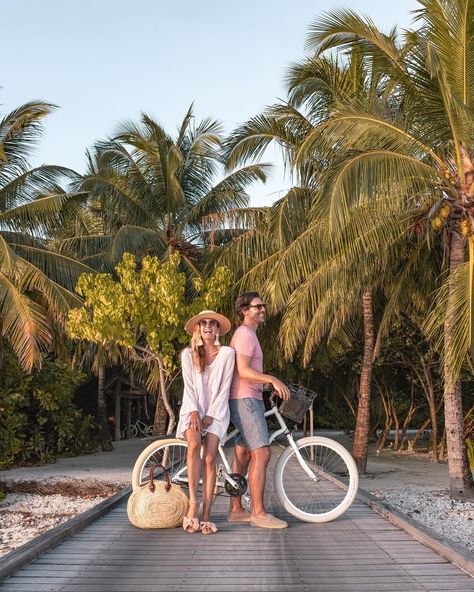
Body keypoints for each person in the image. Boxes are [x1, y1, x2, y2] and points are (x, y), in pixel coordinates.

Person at [228, 292, 291, 529]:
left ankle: (236, 509)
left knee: (244, 452)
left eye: (263, 305)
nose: (263, 309)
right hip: (245, 399)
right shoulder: (245, 334)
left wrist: (265, 385)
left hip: (247, 397)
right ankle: (258, 513)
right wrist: (272, 379)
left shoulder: (249, 335)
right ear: (244, 310)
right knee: (262, 453)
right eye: (258, 306)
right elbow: (243, 371)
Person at [176, 310, 235, 535]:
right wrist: (193, 412)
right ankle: (193, 504)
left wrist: (210, 416)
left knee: (210, 458)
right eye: (204, 323)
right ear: (198, 328)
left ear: (218, 330)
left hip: (217, 413)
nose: (208, 326)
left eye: (213, 323)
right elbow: (188, 387)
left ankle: (207, 513)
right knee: (192, 446)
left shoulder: (228, 353)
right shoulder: (188, 354)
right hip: (192, 410)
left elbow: (224, 388)